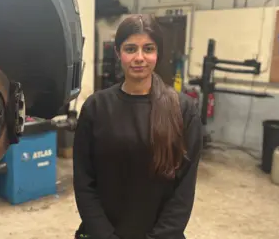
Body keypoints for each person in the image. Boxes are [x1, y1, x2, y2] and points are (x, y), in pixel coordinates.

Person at [72, 14, 203, 239]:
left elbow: (183, 192)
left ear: (158, 53)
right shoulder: (96, 108)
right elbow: (84, 182)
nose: (139, 57)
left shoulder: (183, 110)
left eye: (148, 49)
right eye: (130, 49)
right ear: (118, 53)